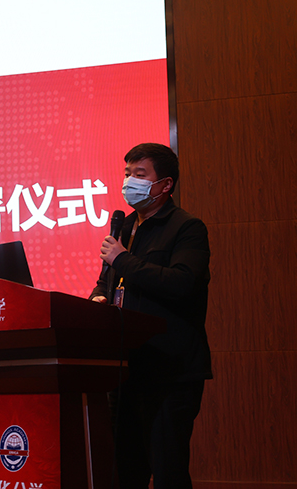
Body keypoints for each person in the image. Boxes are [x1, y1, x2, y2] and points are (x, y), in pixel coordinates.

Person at [90, 143, 211, 489]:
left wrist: (123, 259)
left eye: (140, 174)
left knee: (167, 469)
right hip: (125, 370)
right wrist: (97, 298)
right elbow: (106, 282)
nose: (130, 181)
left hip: (169, 372)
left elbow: (182, 283)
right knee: (124, 472)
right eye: (127, 173)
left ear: (165, 184)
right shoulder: (124, 228)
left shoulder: (187, 228)